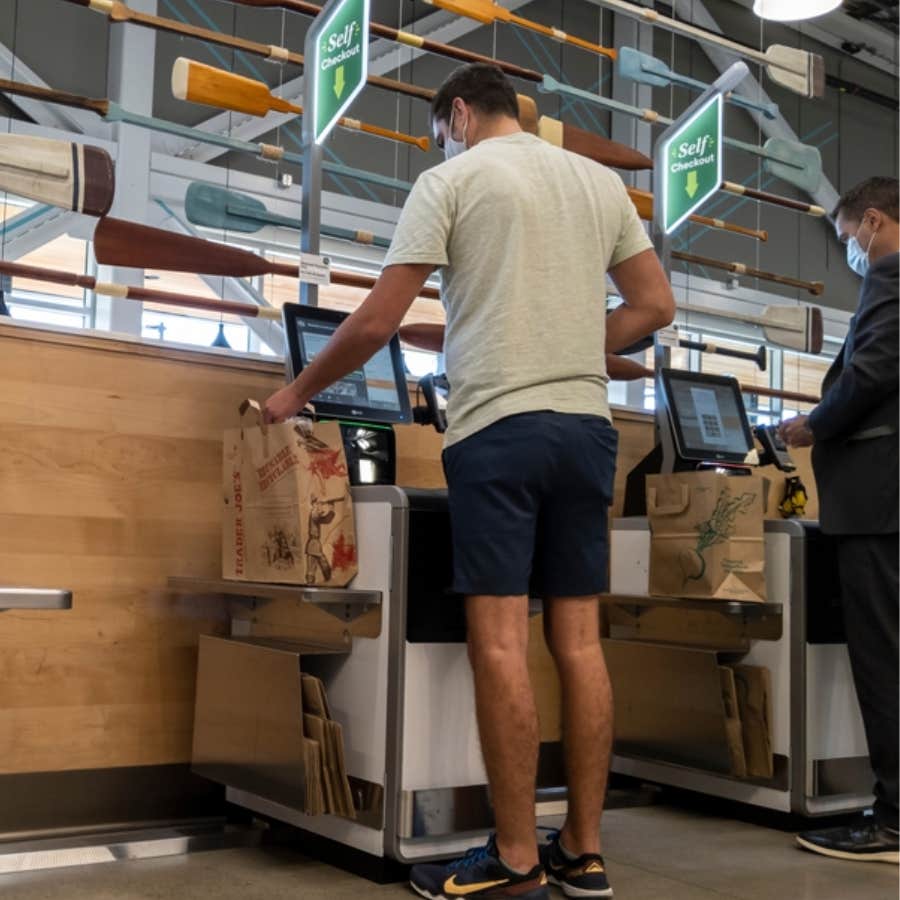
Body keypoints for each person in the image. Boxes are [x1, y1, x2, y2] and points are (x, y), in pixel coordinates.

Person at [265, 63, 675, 898]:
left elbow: (381, 318)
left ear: (457, 113)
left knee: (498, 643)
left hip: (499, 432)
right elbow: (654, 307)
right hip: (587, 433)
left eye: (438, 128)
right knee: (580, 643)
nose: (438, 141)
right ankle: (584, 853)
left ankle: (517, 859)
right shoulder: (598, 184)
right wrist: (572, 340)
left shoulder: (450, 179)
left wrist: (293, 396)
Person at [780, 176, 899, 864]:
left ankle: (893, 821)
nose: (850, 249)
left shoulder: (890, 277)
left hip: (879, 504)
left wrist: (812, 425)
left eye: (850, 236)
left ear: (874, 222)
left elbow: (873, 372)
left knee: (884, 662)